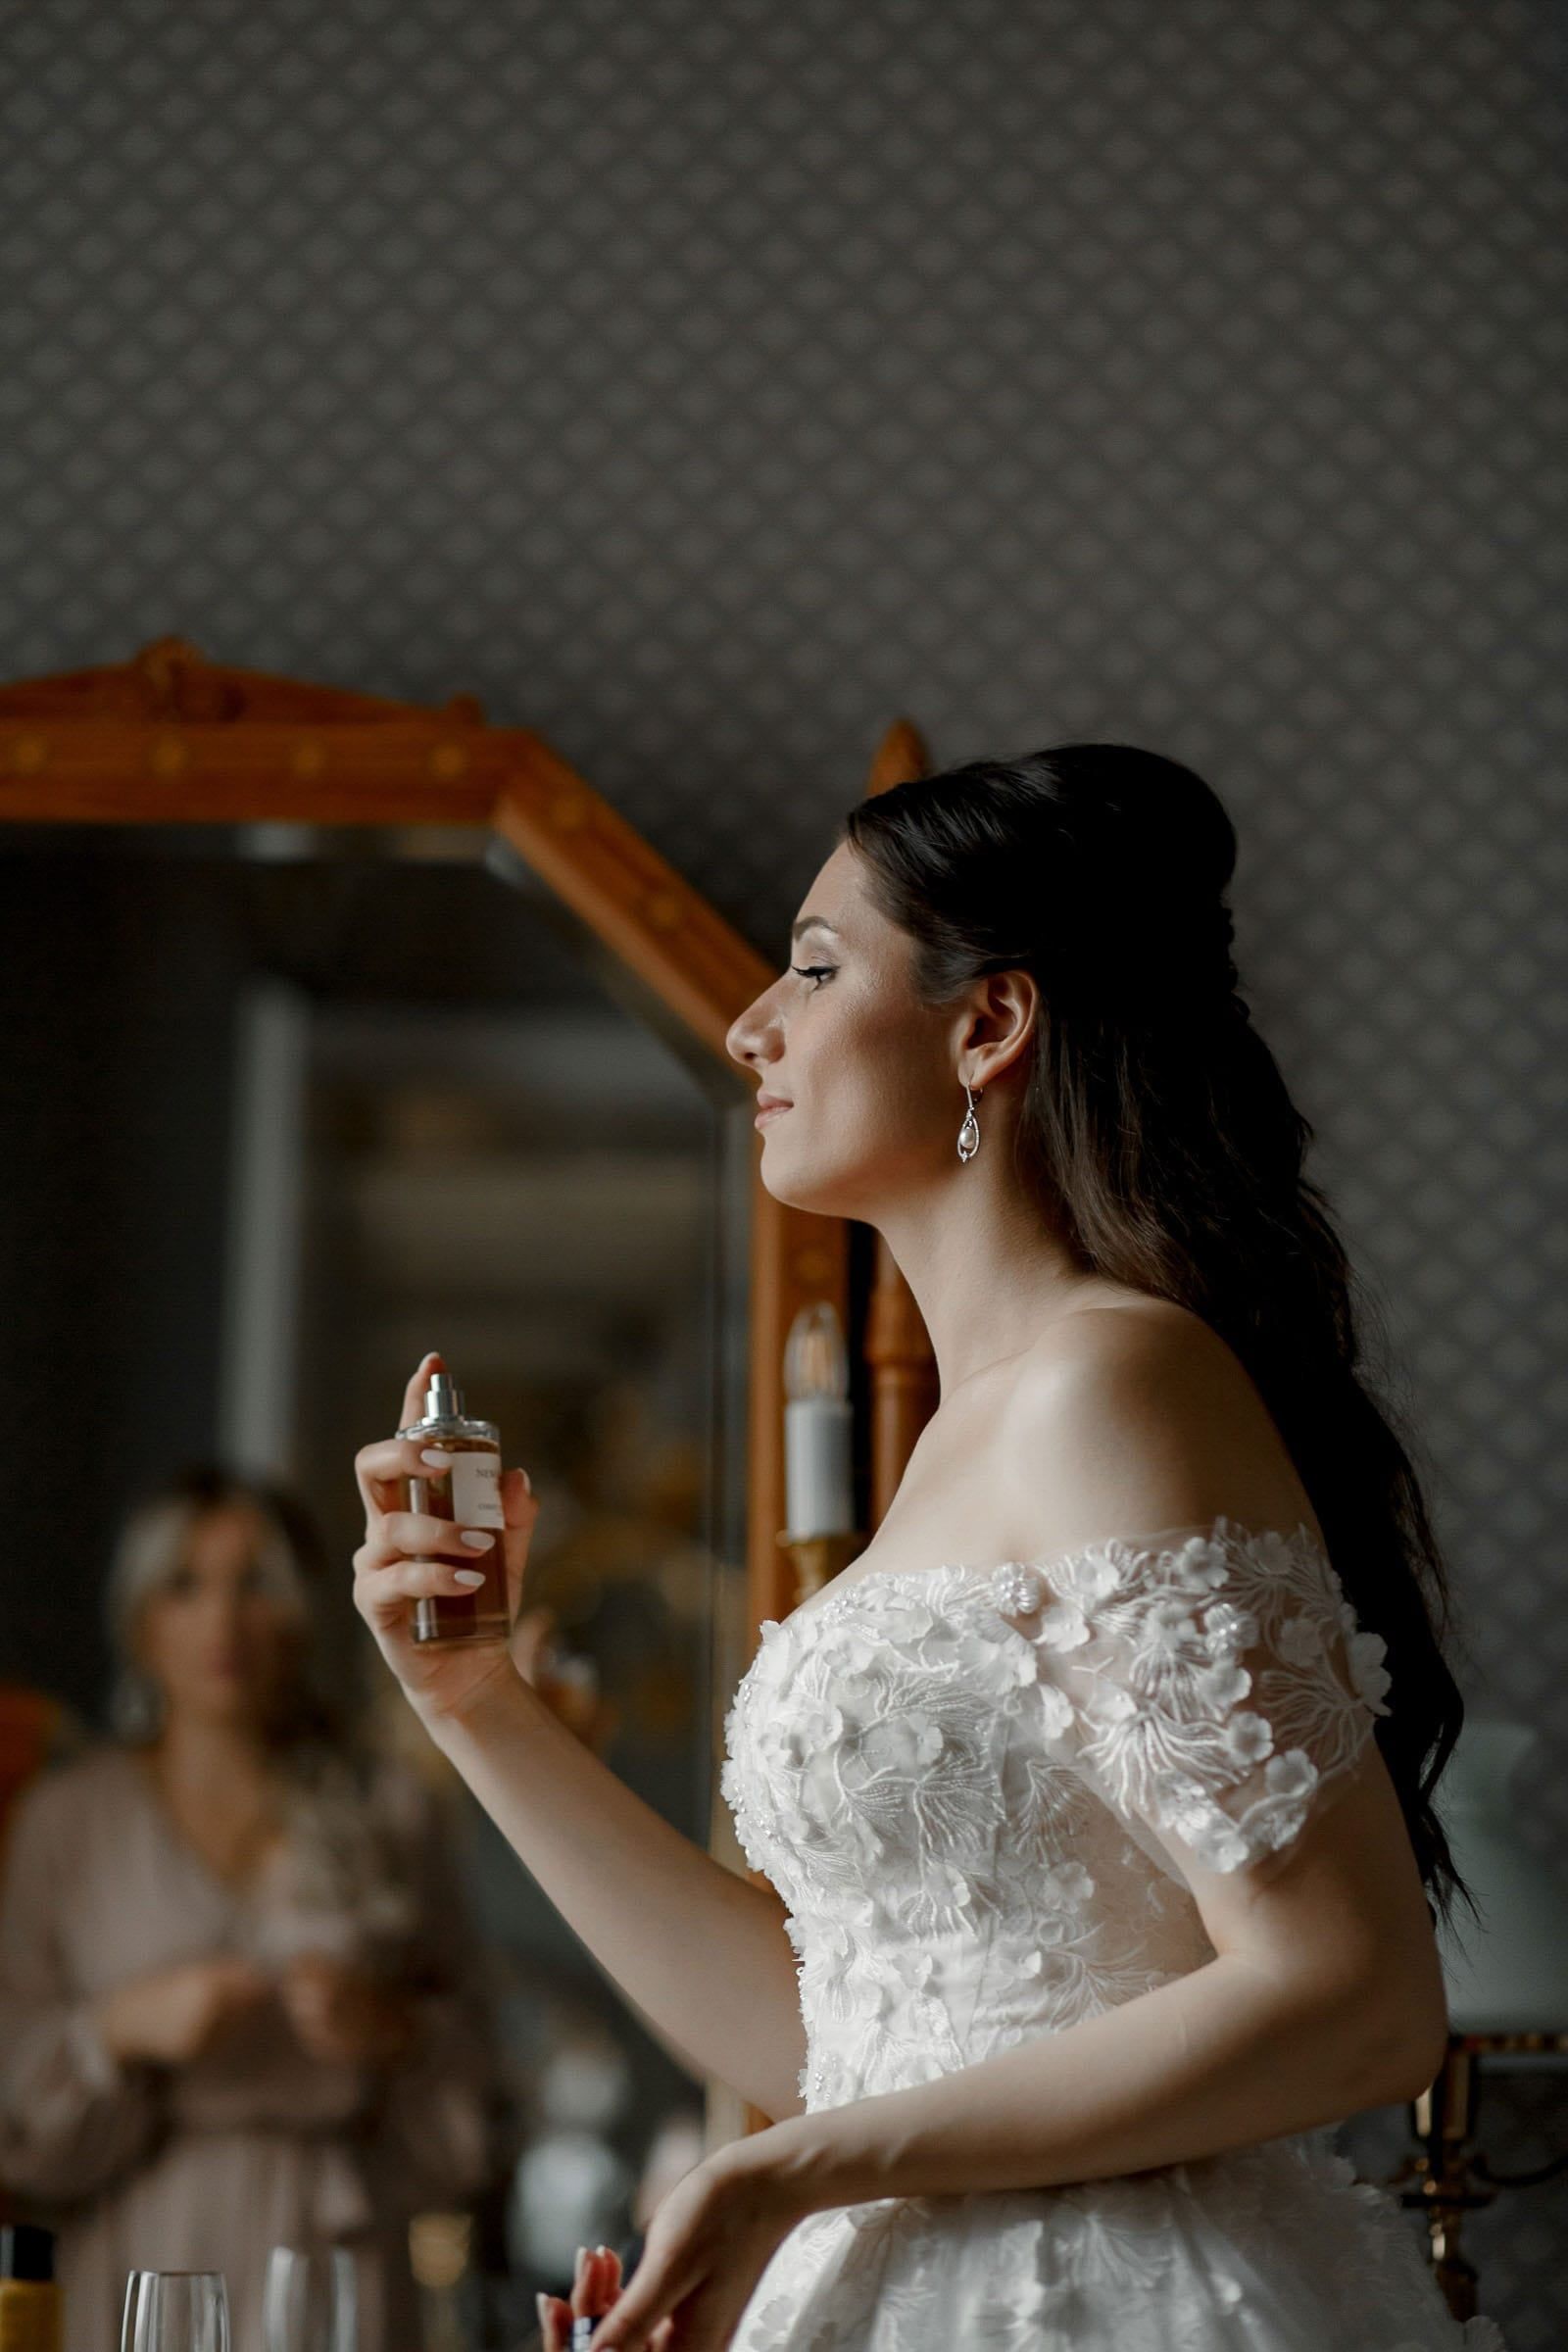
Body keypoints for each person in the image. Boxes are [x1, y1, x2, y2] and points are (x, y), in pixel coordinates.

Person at [351, 746, 1509, 2351]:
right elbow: (838, 2035)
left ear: (990, 1024)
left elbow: (1358, 1999)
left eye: (817, 967)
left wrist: (785, 2181)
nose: (754, 1023)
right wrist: (470, 1692)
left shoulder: (1116, 1382)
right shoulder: (960, 1449)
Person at [0, 1465, 501, 2352]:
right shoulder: (68, 1820)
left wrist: (393, 2035)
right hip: (133, 2253)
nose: (223, 1622)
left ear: (303, 1611)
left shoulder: (387, 1809)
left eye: (255, 1584)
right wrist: (116, 2030)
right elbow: (13, 2108)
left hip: (331, 2255)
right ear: (140, 1616)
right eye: (186, 1584)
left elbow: (483, 2092)